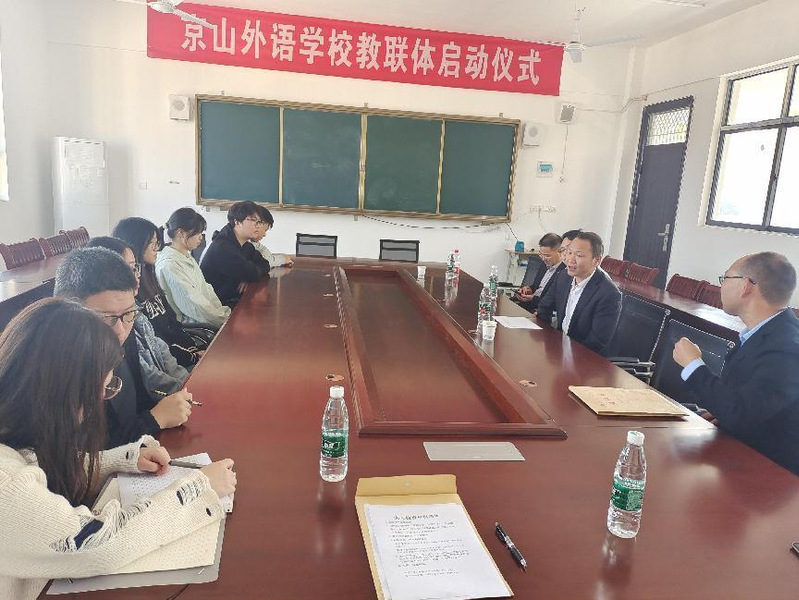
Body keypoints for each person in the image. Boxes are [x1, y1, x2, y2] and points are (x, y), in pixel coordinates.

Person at [0, 298, 236, 600]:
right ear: (62, 395)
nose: (96, 407)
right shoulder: (5, 484)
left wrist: (122, 460)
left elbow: (39, 466)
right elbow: (100, 546)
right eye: (100, 392)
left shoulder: (16, 433)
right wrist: (198, 489)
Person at [673, 252, 799, 475]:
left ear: (745, 286)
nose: (721, 286)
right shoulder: (768, 332)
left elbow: (742, 414)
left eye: (726, 278)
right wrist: (723, 415)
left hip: (769, 476)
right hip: (740, 455)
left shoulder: (787, 345)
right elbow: (755, 405)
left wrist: (693, 365)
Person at [55, 247, 194, 447]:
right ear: (66, 311)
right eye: (105, 318)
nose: (120, 331)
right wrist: (154, 419)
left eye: (129, 313)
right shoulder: (57, 369)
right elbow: (83, 452)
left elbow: (139, 401)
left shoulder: (124, 329)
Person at [87, 237, 190, 397]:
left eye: (135, 267)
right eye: (128, 269)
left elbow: (159, 346)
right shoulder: (113, 326)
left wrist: (186, 383)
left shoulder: (133, 309)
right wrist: (184, 391)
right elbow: (148, 377)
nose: (136, 275)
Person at [112, 217, 210, 369]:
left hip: (184, 353)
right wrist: (191, 355)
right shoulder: (130, 295)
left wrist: (192, 349)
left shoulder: (150, 278)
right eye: (152, 243)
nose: (156, 248)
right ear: (136, 244)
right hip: (171, 363)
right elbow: (155, 342)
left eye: (157, 243)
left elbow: (172, 320)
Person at [536, 231, 622, 355]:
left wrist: (567, 355)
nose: (570, 259)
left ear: (596, 260)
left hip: (586, 359)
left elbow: (596, 341)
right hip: (560, 349)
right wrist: (549, 340)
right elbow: (544, 307)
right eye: (569, 252)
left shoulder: (609, 294)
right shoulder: (563, 277)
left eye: (579, 255)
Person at [156, 208, 231, 329]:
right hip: (191, 327)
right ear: (181, 233)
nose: (201, 237)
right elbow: (193, 304)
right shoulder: (170, 264)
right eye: (197, 233)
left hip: (206, 320)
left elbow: (206, 290)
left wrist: (223, 314)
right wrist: (224, 318)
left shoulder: (185, 255)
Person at [200, 201, 271, 306]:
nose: (257, 226)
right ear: (237, 222)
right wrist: (249, 275)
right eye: (254, 221)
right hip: (217, 307)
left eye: (259, 222)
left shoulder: (245, 245)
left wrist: (247, 277)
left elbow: (265, 264)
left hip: (232, 299)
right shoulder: (223, 248)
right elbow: (252, 273)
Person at [515, 233, 566, 312]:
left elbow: (556, 302)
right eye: (541, 255)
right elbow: (536, 287)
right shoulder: (544, 264)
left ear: (560, 252)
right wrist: (528, 289)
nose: (543, 259)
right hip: (529, 304)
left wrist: (533, 299)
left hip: (542, 309)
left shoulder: (565, 272)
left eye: (547, 255)